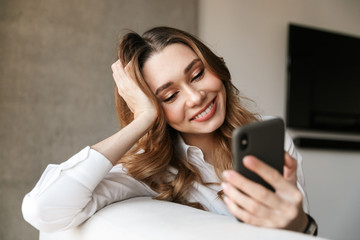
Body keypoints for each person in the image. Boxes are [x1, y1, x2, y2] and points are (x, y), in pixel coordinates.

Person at [22, 26, 317, 235]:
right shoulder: (152, 172)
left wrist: (299, 222)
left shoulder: (270, 137)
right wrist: (142, 120)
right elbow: (43, 210)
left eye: (198, 74)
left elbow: (301, 233)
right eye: (169, 96)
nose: (196, 96)